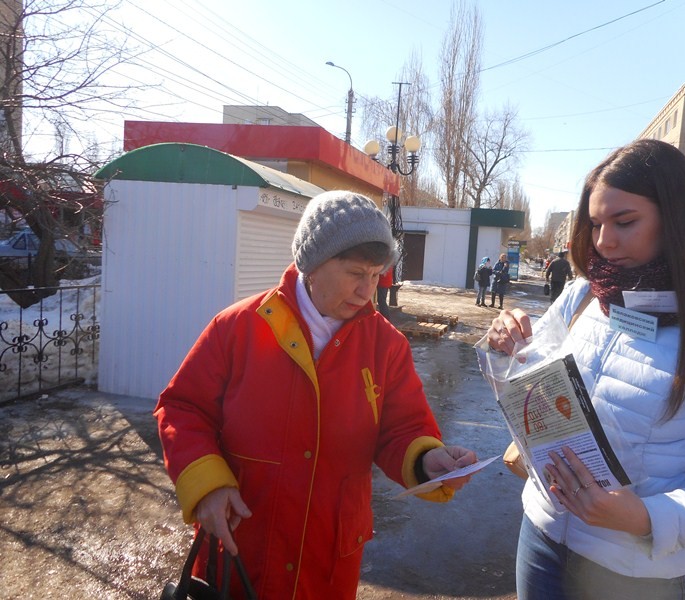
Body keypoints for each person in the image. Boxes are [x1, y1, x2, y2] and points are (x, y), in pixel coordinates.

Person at [485, 139, 685, 599]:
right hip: (542, 540)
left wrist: (646, 518)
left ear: (677, 219)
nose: (604, 241)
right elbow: (533, 383)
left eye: (624, 222)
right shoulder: (585, 295)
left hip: (633, 575)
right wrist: (509, 346)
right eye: (596, 224)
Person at [155, 190, 477, 599]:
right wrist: (207, 486)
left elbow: (403, 429)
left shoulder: (386, 346)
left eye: (376, 275)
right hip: (240, 551)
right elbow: (182, 408)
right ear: (312, 263)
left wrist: (427, 460)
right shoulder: (238, 327)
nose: (366, 290)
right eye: (355, 273)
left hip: (326, 565)